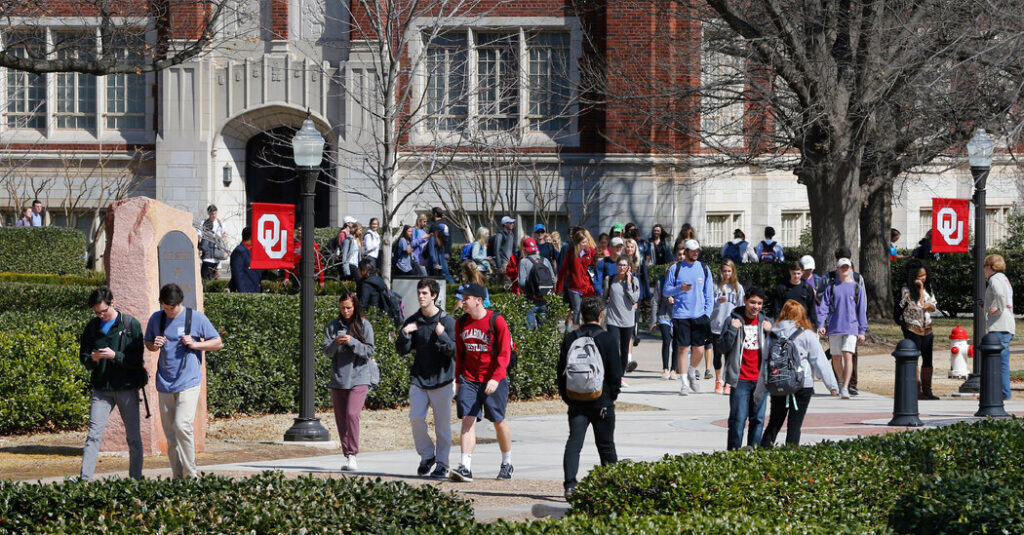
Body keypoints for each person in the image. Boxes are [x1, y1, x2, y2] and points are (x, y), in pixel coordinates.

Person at [144, 283, 223, 478]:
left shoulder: (195, 318)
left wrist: (195, 344)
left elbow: (218, 342)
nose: (169, 312)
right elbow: (148, 343)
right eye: (165, 307)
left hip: (189, 380)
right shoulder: (157, 318)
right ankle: (178, 478)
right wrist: (154, 345)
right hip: (164, 382)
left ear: (180, 303)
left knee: (182, 425)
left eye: (172, 308)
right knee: (171, 436)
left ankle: (192, 475)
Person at [79, 286, 147, 481]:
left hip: (126, 388)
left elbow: (136, 360)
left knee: (133, 438)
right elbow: (84, 358)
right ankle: (84, 480)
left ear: (112, 303)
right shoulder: (92, 327)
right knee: (93, 436)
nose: (100, 315)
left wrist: (115, 355)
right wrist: (92, 358)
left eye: (103, 311)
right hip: (101, 389)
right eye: (96, 312)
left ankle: (136, 479)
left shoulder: (130, 324)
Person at [558, 296, 622, 499]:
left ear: (582, 316)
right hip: (601, 400)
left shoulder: (571, 338)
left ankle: (570, 485)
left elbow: (560, 370)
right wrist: (613, 396)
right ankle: (611, 486)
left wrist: (567, 397)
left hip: (576, 400)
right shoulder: (608, 338)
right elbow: (615, 372)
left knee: (574, 444)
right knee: (606, 445)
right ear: (601, 315)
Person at [450, 283, 514, 482]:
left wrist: (496, 378)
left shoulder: (497, 321)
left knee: (498, 420)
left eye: (466, 298)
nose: (463, 302)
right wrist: (458, 379)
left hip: (493, 378)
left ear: (478, 300)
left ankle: (507, 462)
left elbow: (505, 354)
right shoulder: (460, 323)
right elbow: (460, 354)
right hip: (469, 379)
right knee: (467, 418)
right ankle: (465, 466)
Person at [396, 278, 456, 479]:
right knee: (415, 418)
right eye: (419, 293)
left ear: (434, 296)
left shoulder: (447, 321)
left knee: (442, 427)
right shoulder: (413, 321)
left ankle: (442, 464)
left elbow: (456, 352)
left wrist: (443, 336)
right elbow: (401, 350)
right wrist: (405, 334)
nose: (420, 296)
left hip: (442, 380)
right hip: (419, 379)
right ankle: (428, 455)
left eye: (424, 293)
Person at [759, 300, 839, 447]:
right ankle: (791, 459)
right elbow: (819, 361)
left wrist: (759, 392)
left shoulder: (772, 335)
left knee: (774, 422)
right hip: (802, 383)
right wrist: (832, 386)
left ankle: (762, 455)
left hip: (778, 383)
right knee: (794, 425)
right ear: (802, 315)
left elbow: (764, 363)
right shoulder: (807, 335)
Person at [324, 290, 376, 471]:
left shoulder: (364, 325)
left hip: (359, 377)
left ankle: (353, 453)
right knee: (341, 419)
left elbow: (369, 350)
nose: (345, 311)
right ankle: (348, 455)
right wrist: (337, 342)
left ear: (355, 307)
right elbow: (327, 352)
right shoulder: (333, 325)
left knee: (352, 414)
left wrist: (352, 342)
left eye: (348, 308)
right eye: (342, 308)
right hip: (338, 378)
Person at [719, 287, 772, 450]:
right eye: (752, 302)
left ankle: (753, 455)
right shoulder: (732, 320)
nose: (756, 306)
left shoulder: (766, 323)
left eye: (759, 303)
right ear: (745, 301)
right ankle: (733, 455)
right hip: (740, 379)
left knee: (758, 420)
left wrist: (772, 333)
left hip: (760, 381)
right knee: (738, 420)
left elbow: (779, 349)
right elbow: (722, 347)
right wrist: (733, 329)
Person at [663, 240, 714, 395]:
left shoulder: (704, 268)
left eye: (697, 250)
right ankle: (684, 383)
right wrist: (680, 288)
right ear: (685, 251)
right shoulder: (675, 268)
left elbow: (709, 293)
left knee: (699, 350)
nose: (695, 253)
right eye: (692, 250)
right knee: (683, 349)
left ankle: (692, 371)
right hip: (681, 315)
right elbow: (666, 291)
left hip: (700, 316)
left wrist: (707, 313)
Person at [818, 258, 867, 399]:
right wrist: (821, 324)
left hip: (851, 327)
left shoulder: (857, 288)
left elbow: (861, 310)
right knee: (836, 357)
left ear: (851, 269)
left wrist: (862, 331)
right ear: (837, 269)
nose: (844, 269)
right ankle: (840, 381)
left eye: (847, 267)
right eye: (842, 267)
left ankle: (846, 387)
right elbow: (824, 307)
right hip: (834, 327)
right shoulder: (831, 287)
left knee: (848, 355)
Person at [898, 259, 939, 400]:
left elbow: (933, 304)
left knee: (928, 359)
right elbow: (916, 306)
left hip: (927, 326)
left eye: (924, 275)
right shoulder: (906, 290)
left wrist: (930, 306)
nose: (923, 278)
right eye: (920, 276)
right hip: (912, 327)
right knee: (913, 358)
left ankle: (928, 389)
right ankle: (916, 389)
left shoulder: (929, 287)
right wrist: (920, 289)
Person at [603, 255, 641, 383]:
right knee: (613, 346)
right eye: (620, 265)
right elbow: (604, 297)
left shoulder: (634, 281)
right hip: (613, 319)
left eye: (625, 265)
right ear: (616, 266)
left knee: (624, 349)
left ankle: (620, 376)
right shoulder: (609, 279)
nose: (622, 268)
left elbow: (634, 299)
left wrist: (629, 284)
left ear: (629, 267)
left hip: (628, 320)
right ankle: (612, 374)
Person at [984, 254, 1015, 400]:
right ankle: (1003, 391)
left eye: (985, 266)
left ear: (989, 267)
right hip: (1008, 325)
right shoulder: (1003, 278)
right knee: (1003, 361)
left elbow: (1000, 295)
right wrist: (987, 306)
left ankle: (1002, 392)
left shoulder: (994, 278)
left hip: (999, 326)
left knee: (998, 361)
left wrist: (998, 309)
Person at [711, 260, 744, 394]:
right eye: (724, 271)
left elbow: (741, 306)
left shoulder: (738, 287)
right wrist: (717, 301)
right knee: (717, 355)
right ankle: (718, 380)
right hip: (716, 325)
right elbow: (709, 303)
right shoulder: (716, 286)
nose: (726, 274)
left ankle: (728, 382)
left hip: (731, 326)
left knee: (731, 356)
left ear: (733, 272)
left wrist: (739, 322)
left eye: (729, 271)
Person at [556, 229, 597, 328]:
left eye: (586, 241)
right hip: (574, 287)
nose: (585, 244)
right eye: (583, 242)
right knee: (577, 309)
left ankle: (586, 330)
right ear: (578, 243)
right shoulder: (571, 253)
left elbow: (596, 269)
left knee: (586, 310)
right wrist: (558, 289)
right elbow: (563, 271)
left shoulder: (591, 252)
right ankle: (576, 331)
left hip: (587, 287)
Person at [519, 237, 555, 331]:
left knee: (529, 332)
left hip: (530, 300)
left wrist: (530, 291)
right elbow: (553, 280)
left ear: (524, 249)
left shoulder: (524, 262)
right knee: (544, 332)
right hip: (544, 299)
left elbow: (522, 283)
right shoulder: (545, 260)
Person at [651, 267, 679, 380]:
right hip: (664, 315)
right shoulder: (661, 282)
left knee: (677, 342)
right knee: (667, 340)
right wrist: (653, 320)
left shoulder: (681, 283)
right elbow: (655, 301)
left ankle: (674, 369)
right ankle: (665, 368)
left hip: (678, 316)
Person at [772, 261, 818, 328]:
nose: (796, 276)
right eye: (794, 273)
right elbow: (777, 309)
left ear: (802, 272)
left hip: (803, 324)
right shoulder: (782, 288)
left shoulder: (807, 288)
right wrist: (778, 324)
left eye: (798, 273)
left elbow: (812, 309)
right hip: (786, 325)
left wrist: (814, 326)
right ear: (790, 272)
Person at [228, 227, 263, 293]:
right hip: (246, 290)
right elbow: (238, 274)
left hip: (255, 288)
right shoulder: (239, 251)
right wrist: (243, 293)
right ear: (251, 236)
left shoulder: (254, 251)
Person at [199, 205, 226, 280]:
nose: (214, 216)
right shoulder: (204, 223)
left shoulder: (220, 223)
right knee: (205, 276)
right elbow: (200, 237)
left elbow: (224, 236)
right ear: (208, 214)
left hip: (217, 254)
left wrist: (224, 249)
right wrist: (200, 249)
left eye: (215, 214)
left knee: (216, 275)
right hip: (207, 254)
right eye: (212, 214)